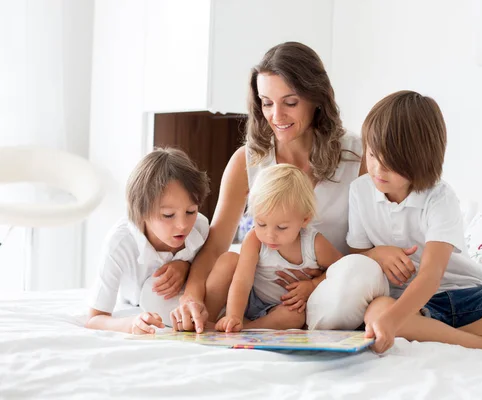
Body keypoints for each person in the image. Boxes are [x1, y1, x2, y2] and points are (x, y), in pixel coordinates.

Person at [169, 42, 419, 333]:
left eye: (290, 102)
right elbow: (215, 248)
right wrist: (190, 296)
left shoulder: (358, 156)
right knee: (219, 269)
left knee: (355, 277)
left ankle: (285, 324)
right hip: (258, 290)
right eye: (266, 103)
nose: (276, 116)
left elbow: (374, 243)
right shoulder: (246, 161)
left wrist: (318, 281)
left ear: (316, 99)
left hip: (327, 291)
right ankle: (224, 326)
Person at [308, 90, 482, 354]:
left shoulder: (439, 197)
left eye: (390, 162)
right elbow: (357, 253)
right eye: (372, 155)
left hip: (469, 294)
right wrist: (379, 254)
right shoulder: (360, 190)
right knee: (376, 310)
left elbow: (431, 276)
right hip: (414, 307)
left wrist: (392, 321)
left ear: (420, 160)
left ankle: (459, 338)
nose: (377, 169)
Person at [85, 147, 210, 334]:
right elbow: (95, 318)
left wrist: (185, 267)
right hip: (140, 305)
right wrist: (131, 324)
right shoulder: (120, 243)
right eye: (168, 215)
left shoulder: (199, 226)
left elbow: (209, 265)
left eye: (191, 211)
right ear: (142, 212)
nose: (183, 225)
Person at [214, 164, 342, 332]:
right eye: (261, 224)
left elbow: (342, 269)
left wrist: (313, 284)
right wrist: (234, 315)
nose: (269, 235)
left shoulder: (314, 244)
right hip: (248, 299)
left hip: (279, 309)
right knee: (228, 261)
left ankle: (246, 328)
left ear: (305, 220)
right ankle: (207, 318)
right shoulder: (254, 239)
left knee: (295, 316)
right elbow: (242, 281)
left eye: (281, 227)